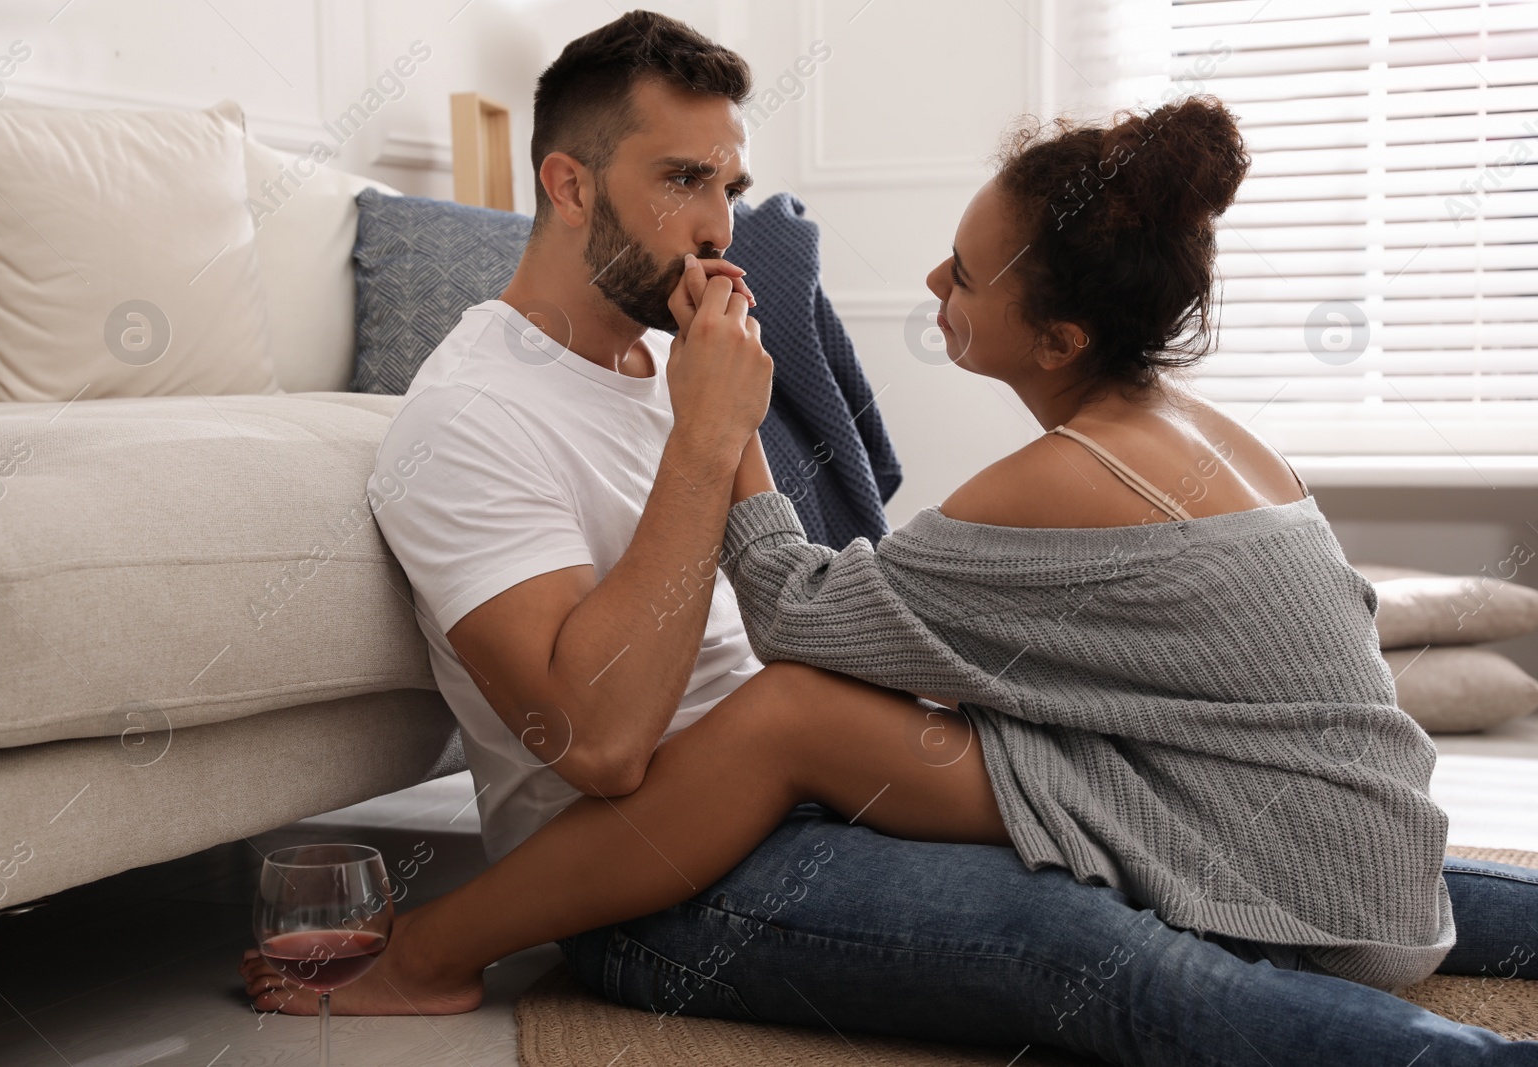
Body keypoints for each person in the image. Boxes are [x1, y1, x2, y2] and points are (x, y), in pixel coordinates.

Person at [243, 11, 1538, 1063]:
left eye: (731, 185)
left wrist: (717, 419)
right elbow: (599, 744)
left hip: (825, 778)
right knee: (1097, 950)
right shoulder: (473, 416)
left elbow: (807, 612)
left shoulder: (689, 367)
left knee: (1190, 856)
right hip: (647, 885)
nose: (719, 224)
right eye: (683, 181)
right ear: (569, 185)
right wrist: (708, 437)